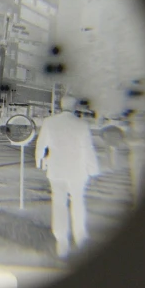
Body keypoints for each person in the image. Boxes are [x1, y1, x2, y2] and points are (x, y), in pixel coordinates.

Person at [35, 94, 100, 258]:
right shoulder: (81, 124)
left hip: (56, 169)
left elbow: (41, 144)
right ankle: (80, 236)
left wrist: (39, 161)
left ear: (61, 106)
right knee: (78, 201)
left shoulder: (50, 122)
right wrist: (93, 168)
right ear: (74, 106)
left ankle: (61, 239)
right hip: (77, 170)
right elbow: (87, 148)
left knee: (59, 203)